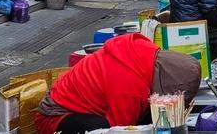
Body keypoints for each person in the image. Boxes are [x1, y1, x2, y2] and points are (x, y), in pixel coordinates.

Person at [35, 34, 201, 134]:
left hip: (88, 105)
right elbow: (120, 129)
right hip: (56, 117)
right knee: (101, 129)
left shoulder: (147, 51)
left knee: (149, 116)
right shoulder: (130, 88)